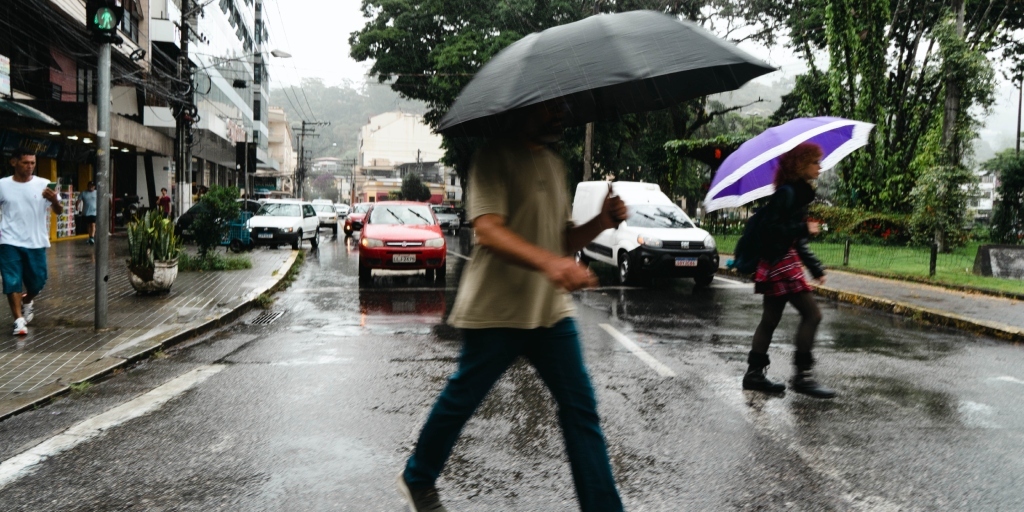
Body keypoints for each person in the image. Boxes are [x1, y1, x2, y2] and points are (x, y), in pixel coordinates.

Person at [396, 100, 627, 512]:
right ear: (523, 108)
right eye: (548, 107)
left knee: (581, 409)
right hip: (496, 309)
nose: (558, 113)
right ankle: (417, 478)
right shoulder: (492, 158)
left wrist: (602, 222)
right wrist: (551, 264)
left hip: (549, 312)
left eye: (561, 107)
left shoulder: (554, 165)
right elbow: (488, 230)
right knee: (462, 399)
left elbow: (562, 240)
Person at [742, 142, 835, 399]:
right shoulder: (787, 193)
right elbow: (771, 230)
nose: (819, 167)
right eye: (815, 162)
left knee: (770, 320)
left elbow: (795, 239)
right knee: (812, 315)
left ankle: (754, 374)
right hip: (779, 261)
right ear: (801, 165)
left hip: (781, 259)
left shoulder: (799, 193)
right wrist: (804, 228)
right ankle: (802, 377)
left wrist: (815, 267)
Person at [1, 149, 63, 335]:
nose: (30, 167)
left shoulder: (43, 184)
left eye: (33, 163)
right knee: (12, 280)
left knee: (38, 281)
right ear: (14, 162)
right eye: (25, 163)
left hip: (35, 242)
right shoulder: (3, 185)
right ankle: (19, 321)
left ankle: (27, 300)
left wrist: (54, 200)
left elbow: (59, 211)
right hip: (8, 240)